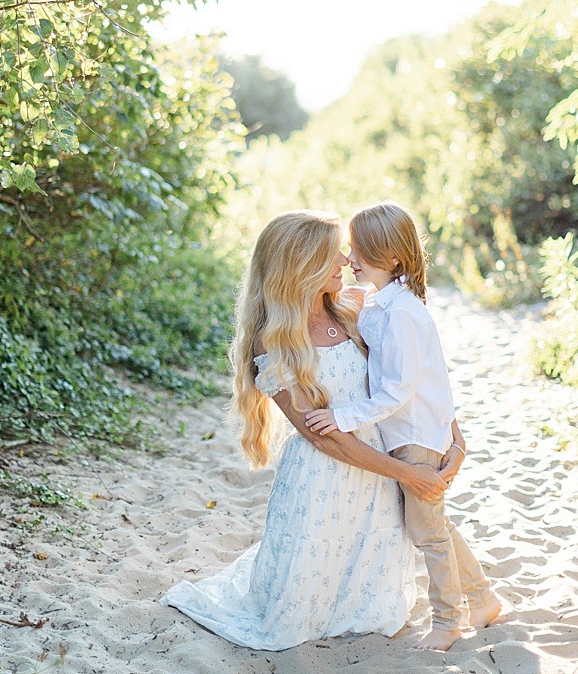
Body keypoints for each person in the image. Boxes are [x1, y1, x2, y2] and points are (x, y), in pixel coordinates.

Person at [163, 210, 443, 651]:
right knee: (297, 613)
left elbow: (415, 375)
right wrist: (406, 474)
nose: (347, 260)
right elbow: (320, 435)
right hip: (323, 482)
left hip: (377, 478)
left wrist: (454, 439)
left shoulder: (355, 307)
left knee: (376, 610)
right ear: (302, 266)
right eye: (333, 254)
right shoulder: (273, 341)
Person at [305, 201, 503, 651]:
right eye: (351, 249)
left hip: (414, 439)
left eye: (361, 251)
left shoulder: (403, 315)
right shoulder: (382, 306)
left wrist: (341, 417)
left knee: (427, 532)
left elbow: (397, 391)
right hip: (407, 434)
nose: (349, 260)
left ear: (392, 257)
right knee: (436, 524)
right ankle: (483, 598)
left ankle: (449, 621)